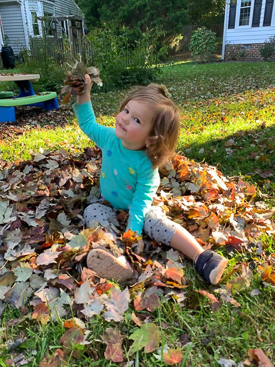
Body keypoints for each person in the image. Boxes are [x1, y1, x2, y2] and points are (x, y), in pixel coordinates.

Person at [73, 75, 228, 285]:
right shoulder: (110, 138)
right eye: (126, 110)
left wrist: (134, 230)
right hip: (109, 205)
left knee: (157, 223)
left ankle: (203, 258)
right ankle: (118, 258)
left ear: (152, 138)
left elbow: (141, 200)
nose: (125, 118)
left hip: (140, 208)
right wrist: (84, 95)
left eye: (136, 120)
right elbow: (88, 123)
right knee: (92, 211)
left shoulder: (146, 165)